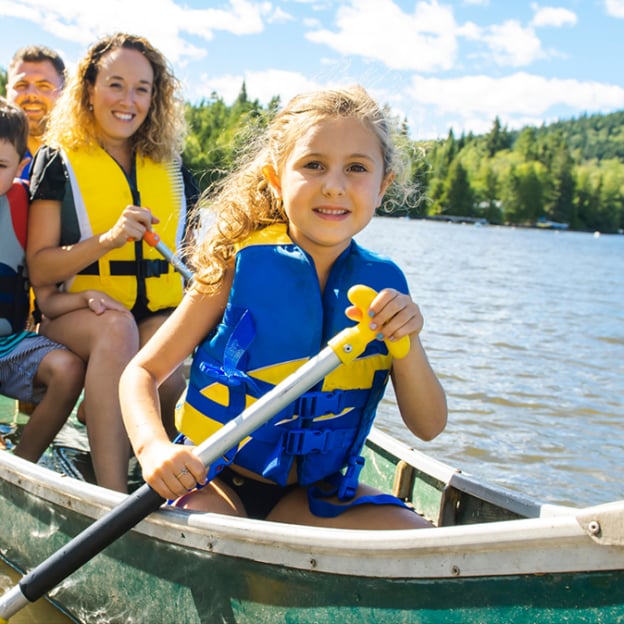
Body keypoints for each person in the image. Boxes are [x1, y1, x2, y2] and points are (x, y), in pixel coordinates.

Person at [119, 85, 448, 529]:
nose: (334, 185)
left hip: (315, 495)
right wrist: (153, 449)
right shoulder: (238, 264)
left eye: (356, 168)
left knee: (421, 541)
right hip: (216, 481)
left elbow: (428, 426)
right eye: (314, 165)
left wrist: (408, 343)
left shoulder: (384, 288)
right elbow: (141, 373)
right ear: (276, 177)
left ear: (382, 185)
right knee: (221, 540)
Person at [26, 33, 193, 492]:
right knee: (118, 330)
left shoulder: (174, 168)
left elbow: (197, 259)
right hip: (77, 313)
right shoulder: (58, 161)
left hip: (154, 313)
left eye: (142, 88)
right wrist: (111, 239)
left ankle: (174, 482)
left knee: (169, 362)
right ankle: (112, 494)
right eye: (116, 84)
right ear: (89, 90)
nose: (129, 100)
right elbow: (40, 269)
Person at [0, 96, 84, 461]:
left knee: (68, 369)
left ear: (20, 167)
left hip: (8, 344)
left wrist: (84, 299)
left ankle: (21, 466)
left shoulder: (23, 203)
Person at [5, 45, 66, 181]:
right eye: (21, 85)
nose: (31, 94)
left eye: (44, 86)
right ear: (7, 91)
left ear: (64, 93)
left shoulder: (84, 157)